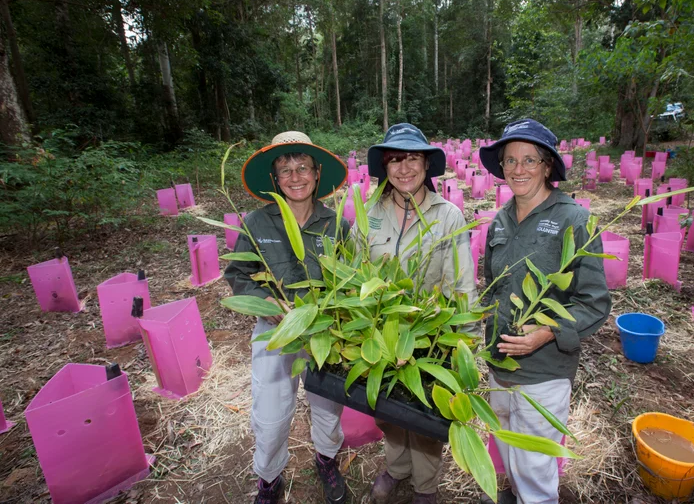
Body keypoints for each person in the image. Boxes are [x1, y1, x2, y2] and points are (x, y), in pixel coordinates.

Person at [478, 119, 611, 504]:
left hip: (544, 371)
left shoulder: (575, 220)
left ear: (548, 165)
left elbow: (594, 302)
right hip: (499, 363)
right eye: (510, 161)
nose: (518, 170)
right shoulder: (500, 220)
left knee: (535, 463)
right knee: (505, 441)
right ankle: (514, 493)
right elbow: (492, 287)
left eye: (530, 160)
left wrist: (546, 332)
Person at [224, 131, 350, 504]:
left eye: (302, 168)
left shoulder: (336, 225)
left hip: (323, 333)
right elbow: (237, 275)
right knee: (270, 413)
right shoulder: (257, 224)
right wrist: (267, 303)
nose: (295, 177)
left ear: (317, 173)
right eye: (285, 170)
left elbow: (350, 278)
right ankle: (269, 477)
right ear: (275, 179)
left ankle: (327, 461)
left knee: (327, 406)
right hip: (273, 333)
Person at [361, 123, 478, 504]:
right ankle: (396, 468)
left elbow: (462, 282)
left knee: (425, 414)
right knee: (387, 410)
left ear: (426, 164)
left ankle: (426, 486)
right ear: (384, 166)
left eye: (412, 158)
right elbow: (358, 274)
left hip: (431, 334)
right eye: (395, 159)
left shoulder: (448, 216)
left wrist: (466, 343)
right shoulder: (369, 213)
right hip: (381, 333)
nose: (404, 167)